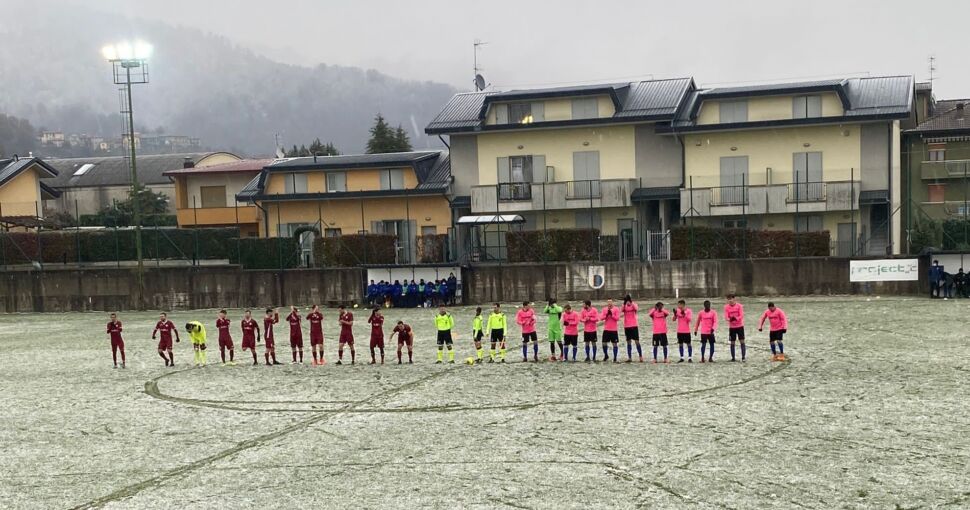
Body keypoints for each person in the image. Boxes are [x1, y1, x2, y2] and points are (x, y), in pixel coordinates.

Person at [724, 294, 746, 362]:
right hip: (732, 327)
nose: (730, 300)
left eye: (731, 299)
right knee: (732, 342)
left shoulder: (739, 306)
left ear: (734, 299)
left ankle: (743, 357)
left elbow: (741, 315)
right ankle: (733, 358)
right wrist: (729, 319)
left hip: (739, 326)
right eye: (728, 299)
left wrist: (736, 318)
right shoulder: (726, 307)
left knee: (742, 341)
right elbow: (726, 316)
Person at [621, 295, 642, 363]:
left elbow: (636, 309)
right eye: (626, 300)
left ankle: (640, 356)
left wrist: (631, 303)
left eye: (628, 300)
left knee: (637, 341)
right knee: (628, 341)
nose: (627, 301)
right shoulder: (624, 305)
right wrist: (624, 304)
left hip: (634, 325)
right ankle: (629, 357)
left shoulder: (634, 304)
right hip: (627, 326)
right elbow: (621, 310)